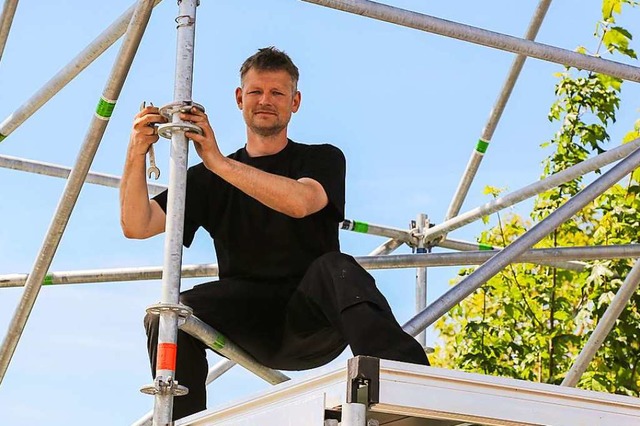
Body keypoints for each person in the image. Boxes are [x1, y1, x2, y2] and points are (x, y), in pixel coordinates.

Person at [120, 46, 429, 421]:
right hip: (249, 318)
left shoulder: (322, 158)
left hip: (312, 318)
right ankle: (183, 420)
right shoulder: (206, 180)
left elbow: (301, 202)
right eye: (256, 92)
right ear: (240, 98)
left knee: (337, 267)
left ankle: (411, 387)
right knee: (168, 314)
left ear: (294, 102)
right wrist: (136, 152)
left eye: (277, 93)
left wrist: (217, 161)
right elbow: (137, 224)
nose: (265, 101)